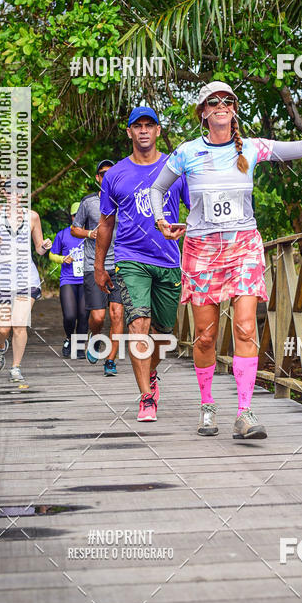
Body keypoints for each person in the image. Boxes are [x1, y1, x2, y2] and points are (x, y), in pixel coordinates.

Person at [150, 78, 302, 439]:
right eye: (212, 101)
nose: (221, 104)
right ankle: (207, 407)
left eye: (227, 100)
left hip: (243, 245)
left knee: (246, 326)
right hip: (202, 249)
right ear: (203, 112)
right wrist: (161, 221)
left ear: (234, 109)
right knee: (205, 336)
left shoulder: (252, 148)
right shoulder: (187, 152)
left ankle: (245, 412)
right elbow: (157, 189)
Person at [94, 106, 190, 422]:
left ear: (158, 131)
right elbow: (106, 224)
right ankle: (146, 399)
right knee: (139, 324)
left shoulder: (175, 168)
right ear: (130, 133)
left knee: (164, 332)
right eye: (138, 126)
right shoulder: (116, 174)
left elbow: (197, 211)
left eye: (150, 125)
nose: (144, 130)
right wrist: (99, 265)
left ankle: (149, 374)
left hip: (168, 259)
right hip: (130, 259)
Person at [0, 167, 52, 388]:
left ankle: (16, 367)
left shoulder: (32, 217)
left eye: (19, 191)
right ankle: (1, 347)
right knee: (3, 328)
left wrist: (44, 247)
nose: (14, 194)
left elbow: (38, 248)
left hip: (25, 277)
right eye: (10, 191)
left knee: (19, 325)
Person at [71, 160, 123, 377]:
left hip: (121, 265)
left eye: (112, 173)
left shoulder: (125, 200)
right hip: (95, 264)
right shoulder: (89, 202)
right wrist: (89, 233)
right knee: (99, 317)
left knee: (118, 313)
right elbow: (74, 229)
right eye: (103, 174)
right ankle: (95, 337)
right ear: (97, 178)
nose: (107, 177)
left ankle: (110, 361)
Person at [49, 203, 88, 358]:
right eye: (74, 215)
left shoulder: (90, 234)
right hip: (68, 279)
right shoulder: (63, 234)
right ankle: (69, 338)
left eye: (80, 215)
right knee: (70, 315)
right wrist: (62, 259)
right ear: (71, 217)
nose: (77, 218)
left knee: (84, 315)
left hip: (87, 279)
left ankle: (79, 347)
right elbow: (52, 254)